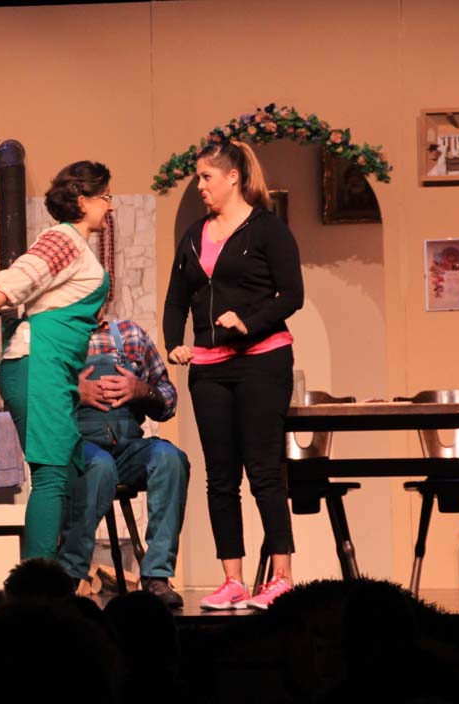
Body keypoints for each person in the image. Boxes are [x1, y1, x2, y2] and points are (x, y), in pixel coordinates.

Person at [0, 161, 111, 561]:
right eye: (105, 197)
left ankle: (61, 573)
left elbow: (18, 293)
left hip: (51, 369)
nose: (109, 205)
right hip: (38, 365)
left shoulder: (75, 247)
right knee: (52, 475)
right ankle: (36, 584)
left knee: (73, 471)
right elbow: (16, 280)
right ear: (83, 200)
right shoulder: (63, 239)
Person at [162, 139, 303, 611]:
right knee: (220, 477)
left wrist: (248, 322)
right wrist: (174, 342)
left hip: (262, 359)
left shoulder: (267, 229)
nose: (200, 186)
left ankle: (281, 577)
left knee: (263, 471)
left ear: (232, 177)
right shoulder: (194, 235)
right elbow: (176, 299)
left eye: (206, 177)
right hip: (209, 367)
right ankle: (233, 581)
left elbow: (292, 295)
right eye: (197, 178)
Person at [55, 316, 190, 608]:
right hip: (81, 448)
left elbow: (168, 398)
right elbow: (37, 396)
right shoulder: (59, 333)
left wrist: (141, 389)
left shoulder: (130, 334)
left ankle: (156, 575)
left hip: (128, 448)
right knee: (99, 466)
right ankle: (69, 576)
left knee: (170, 459)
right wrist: (72, 392)